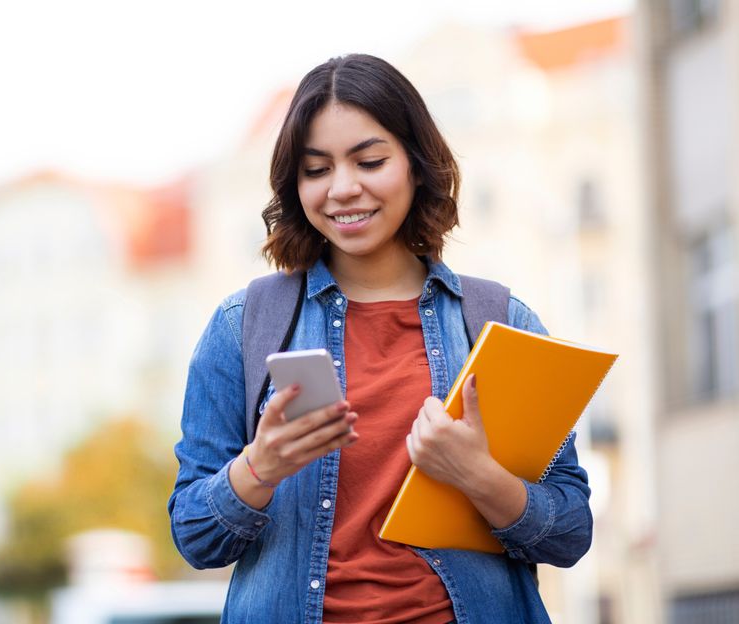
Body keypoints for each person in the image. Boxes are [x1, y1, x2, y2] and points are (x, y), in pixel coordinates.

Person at [168, 53, 592, 624]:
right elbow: (195, 538)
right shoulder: (243, 325)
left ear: (415, 166)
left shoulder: (500, 321)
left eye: (369, 161)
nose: (343, 189)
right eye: (316, 170)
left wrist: (478, 476)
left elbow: (568, 533)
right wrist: (259, 467)